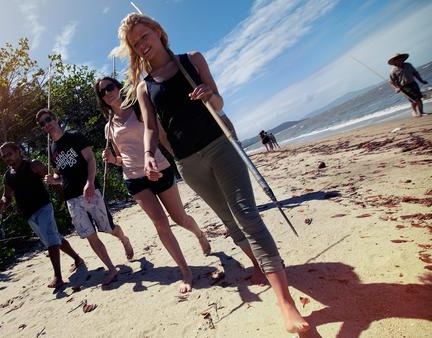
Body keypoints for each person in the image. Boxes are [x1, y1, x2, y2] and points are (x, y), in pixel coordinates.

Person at [115, 13, 310, 333]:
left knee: (247, 215)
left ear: (157, 31)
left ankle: (285, 302)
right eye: (135, 44)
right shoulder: (144, 87)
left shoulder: (191, 60)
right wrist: (149, 154)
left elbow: (218, 102)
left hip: (220, 146)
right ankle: (257, 262)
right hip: (187, 163)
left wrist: (208, 94)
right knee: (228, 219)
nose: (142, 45)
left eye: (144, 36)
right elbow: (150, 127)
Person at [95, 76, 215, 294]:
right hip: (133, 178)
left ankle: (199, 234)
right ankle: (185, 271)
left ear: (119, 87)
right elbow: (121, 157)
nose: (107, 93)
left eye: (109, 87)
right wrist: (112, 160)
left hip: (159, 168)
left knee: (180, 218)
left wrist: (179, 158)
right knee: (160, 224)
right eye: (102, 92)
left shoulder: (140, 109)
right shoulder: (108, 128)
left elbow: (161, 136)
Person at [37, 108, 134, 286]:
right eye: (42, 123)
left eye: (48, 119)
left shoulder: (74, 136)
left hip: (90, 192)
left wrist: (89, 182)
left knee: (108, 228)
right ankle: (111, 269)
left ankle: (124, 239)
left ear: (56, 118)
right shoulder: (52, 150)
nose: (46, 124)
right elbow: (61, 176)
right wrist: (53, 180)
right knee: (90, 235)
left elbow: (90, 159)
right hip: (72, 199)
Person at [0, 142, 85, 289]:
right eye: (4, 156)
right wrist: (3, 203)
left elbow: (53, 182)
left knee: (51, 240)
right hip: (28, 214)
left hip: (43, 206)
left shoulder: (33, 164)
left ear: (18, 151)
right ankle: (77, 259)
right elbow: (8, 196)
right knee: (54, 238)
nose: (7, 158)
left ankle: (58, 276)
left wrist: (65, 198)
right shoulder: (8, 176)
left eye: (9, 154)